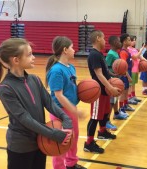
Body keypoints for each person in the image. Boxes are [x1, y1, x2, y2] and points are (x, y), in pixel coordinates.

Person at [0, 38, 73, 169]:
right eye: (29, 54)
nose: (34, 57)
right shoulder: (6, 88)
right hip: (21, 146)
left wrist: (65, 117)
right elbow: (25, 119)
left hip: (40, 142)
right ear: (16, 60)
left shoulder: (34, 79)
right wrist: (52, 133)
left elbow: (49, 102)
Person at [45, 36, 86, 169]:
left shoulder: (71, 67)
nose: (74, 50)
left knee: (74, 137)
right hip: (60, 111)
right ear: (64, 50)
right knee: (62, 142)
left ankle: (71, 163)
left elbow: (71, 88)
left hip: (71, 108)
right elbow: (59, 95)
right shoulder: (56, 70)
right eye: (72, 47)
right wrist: (75, 111)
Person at [85, 30, 120, 154]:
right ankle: (88, 143)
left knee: (105, 113)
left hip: (104, 90)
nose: (105, 41)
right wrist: (110, 88)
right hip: (98, 91)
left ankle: (102, 132)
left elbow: (104, 71)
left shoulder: (99, 54)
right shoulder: (94, 55)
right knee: (95, 117)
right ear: (98, 38)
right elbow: (98, 74)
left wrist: (113, 75)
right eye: (104, 38)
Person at [105, 35, 128, 129]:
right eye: (119, 41)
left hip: (117, 78)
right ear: (114, 43)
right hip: (112, 80)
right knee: (111, 101)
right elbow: (106, 68)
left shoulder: (115, 53)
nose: (120, 43)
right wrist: (114, 75)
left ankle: (116, 113)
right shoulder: (110, 54)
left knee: (115, 98)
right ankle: (106, 121)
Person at [127, 35, 147, 103]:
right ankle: (129, 97)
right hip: (131, 69)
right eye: (132, 40)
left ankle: (133, 96)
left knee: (134, 84)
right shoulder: (128, 49)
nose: (134, 41)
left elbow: (140, 57)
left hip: (136, 69)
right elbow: (135, 57)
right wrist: (142, 49)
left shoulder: (135, 49)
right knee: (130, 84)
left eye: (135, 40)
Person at [119, 33, 136, 111]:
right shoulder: (123, 52)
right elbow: (123, 66)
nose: (130, 41)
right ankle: (121, 108)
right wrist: (128, 76)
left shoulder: (127, 51)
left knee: (126, 91)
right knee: (123, 92)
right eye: (129, 40)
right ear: (124, 42)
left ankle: (125, 105)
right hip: (125, 74)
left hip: (128, 72)